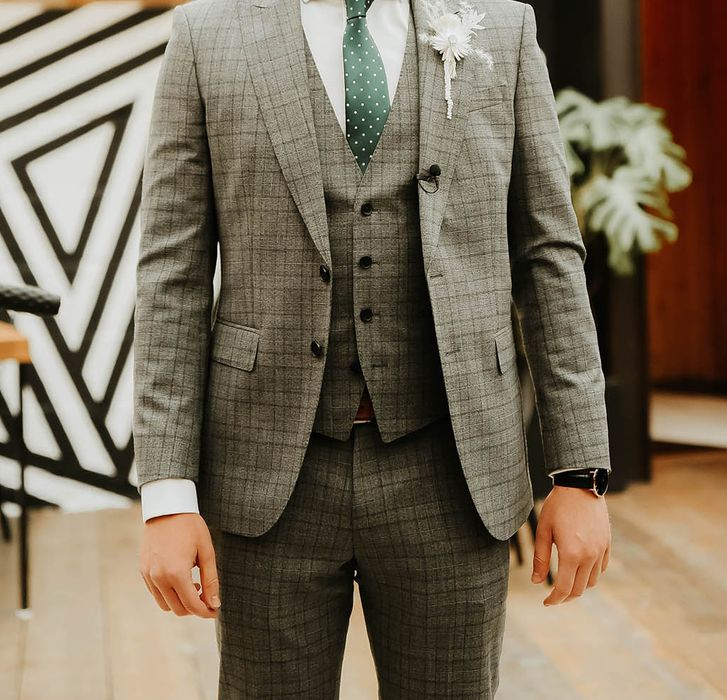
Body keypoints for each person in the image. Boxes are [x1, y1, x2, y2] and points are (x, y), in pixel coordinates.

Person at [134, 0, 612, 696]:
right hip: (267, 475)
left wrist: (579, 472)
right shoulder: (208, 33)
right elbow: (170, 271)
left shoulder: (499, 26)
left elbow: (549, 253)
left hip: (451, 469)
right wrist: (167, 494)